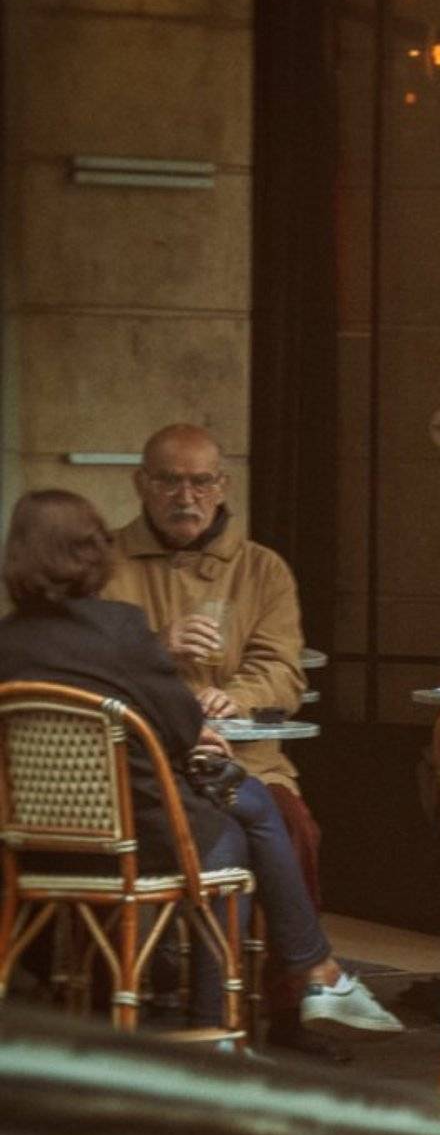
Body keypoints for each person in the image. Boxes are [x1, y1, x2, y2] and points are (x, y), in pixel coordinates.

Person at [0, 490, 400, 1041]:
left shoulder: (8, 642)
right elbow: (181, 728)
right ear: (94, 553)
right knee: (236, 828)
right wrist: (190, 731)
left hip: (34, 846)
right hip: (143, 838)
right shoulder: (121, 628)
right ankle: (237, 1016)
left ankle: (309, 978)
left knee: (247, 806)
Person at [102, 423, 327, 1053]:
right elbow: (88, 661)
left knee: (296, 829)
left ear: (223, 486)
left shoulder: (261, 569)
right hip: (141, 762)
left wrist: (239, 695)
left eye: (201, 481)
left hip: (245, 759)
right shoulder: (107, 563)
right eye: (170, 481)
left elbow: (283, 668)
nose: (187, 496)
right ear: (141, 484)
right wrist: (157, 646)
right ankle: (134, 990)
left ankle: (290, 1006)